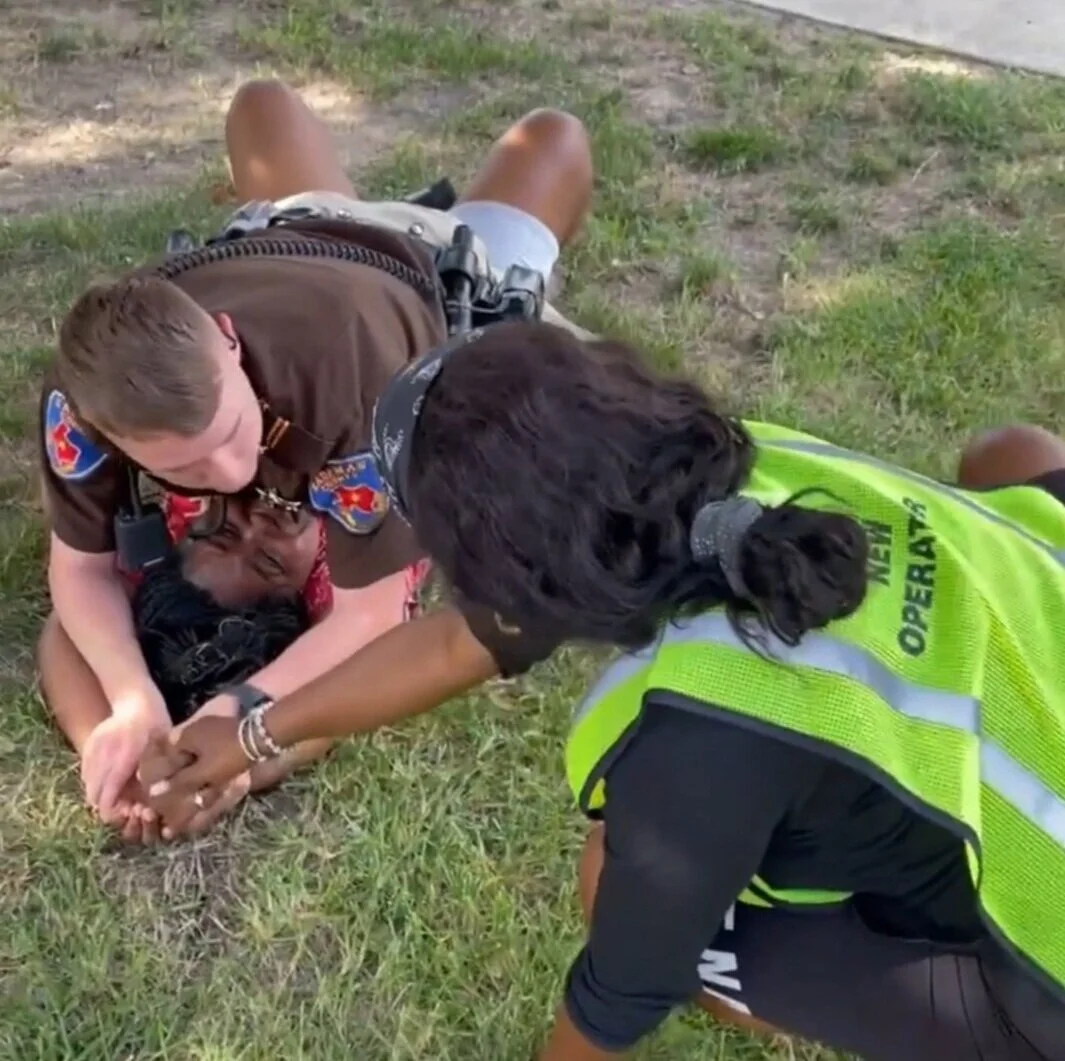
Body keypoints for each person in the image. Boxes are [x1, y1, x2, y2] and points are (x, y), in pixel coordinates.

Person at [144, 322, 1065, 1059]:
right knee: (1012, 455)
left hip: (1045, 971)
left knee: (613, 877)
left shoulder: (697, 744)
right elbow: (465, 642)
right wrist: (257, 731)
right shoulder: (743, 475)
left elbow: (622, 992)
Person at [38, 77, 594, 830]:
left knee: (258, 101)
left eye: (228, 440)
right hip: (447, 277)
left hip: (291, 232)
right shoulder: (94, 400)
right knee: (553, 133)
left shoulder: (320, 390)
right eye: (188, 470)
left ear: (227, 341)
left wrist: (146, 706)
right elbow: (370, 635)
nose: (234, 482)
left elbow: (76, 586)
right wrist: (216, 733)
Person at [38, 496, 361, 842]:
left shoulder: (195, 505)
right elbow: (345, 688)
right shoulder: (341, 564)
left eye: (225, 534)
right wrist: (244, 767)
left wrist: (109, 738)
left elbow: (65, 626)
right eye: (270, 561)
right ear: (301, 594)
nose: (259, 523)